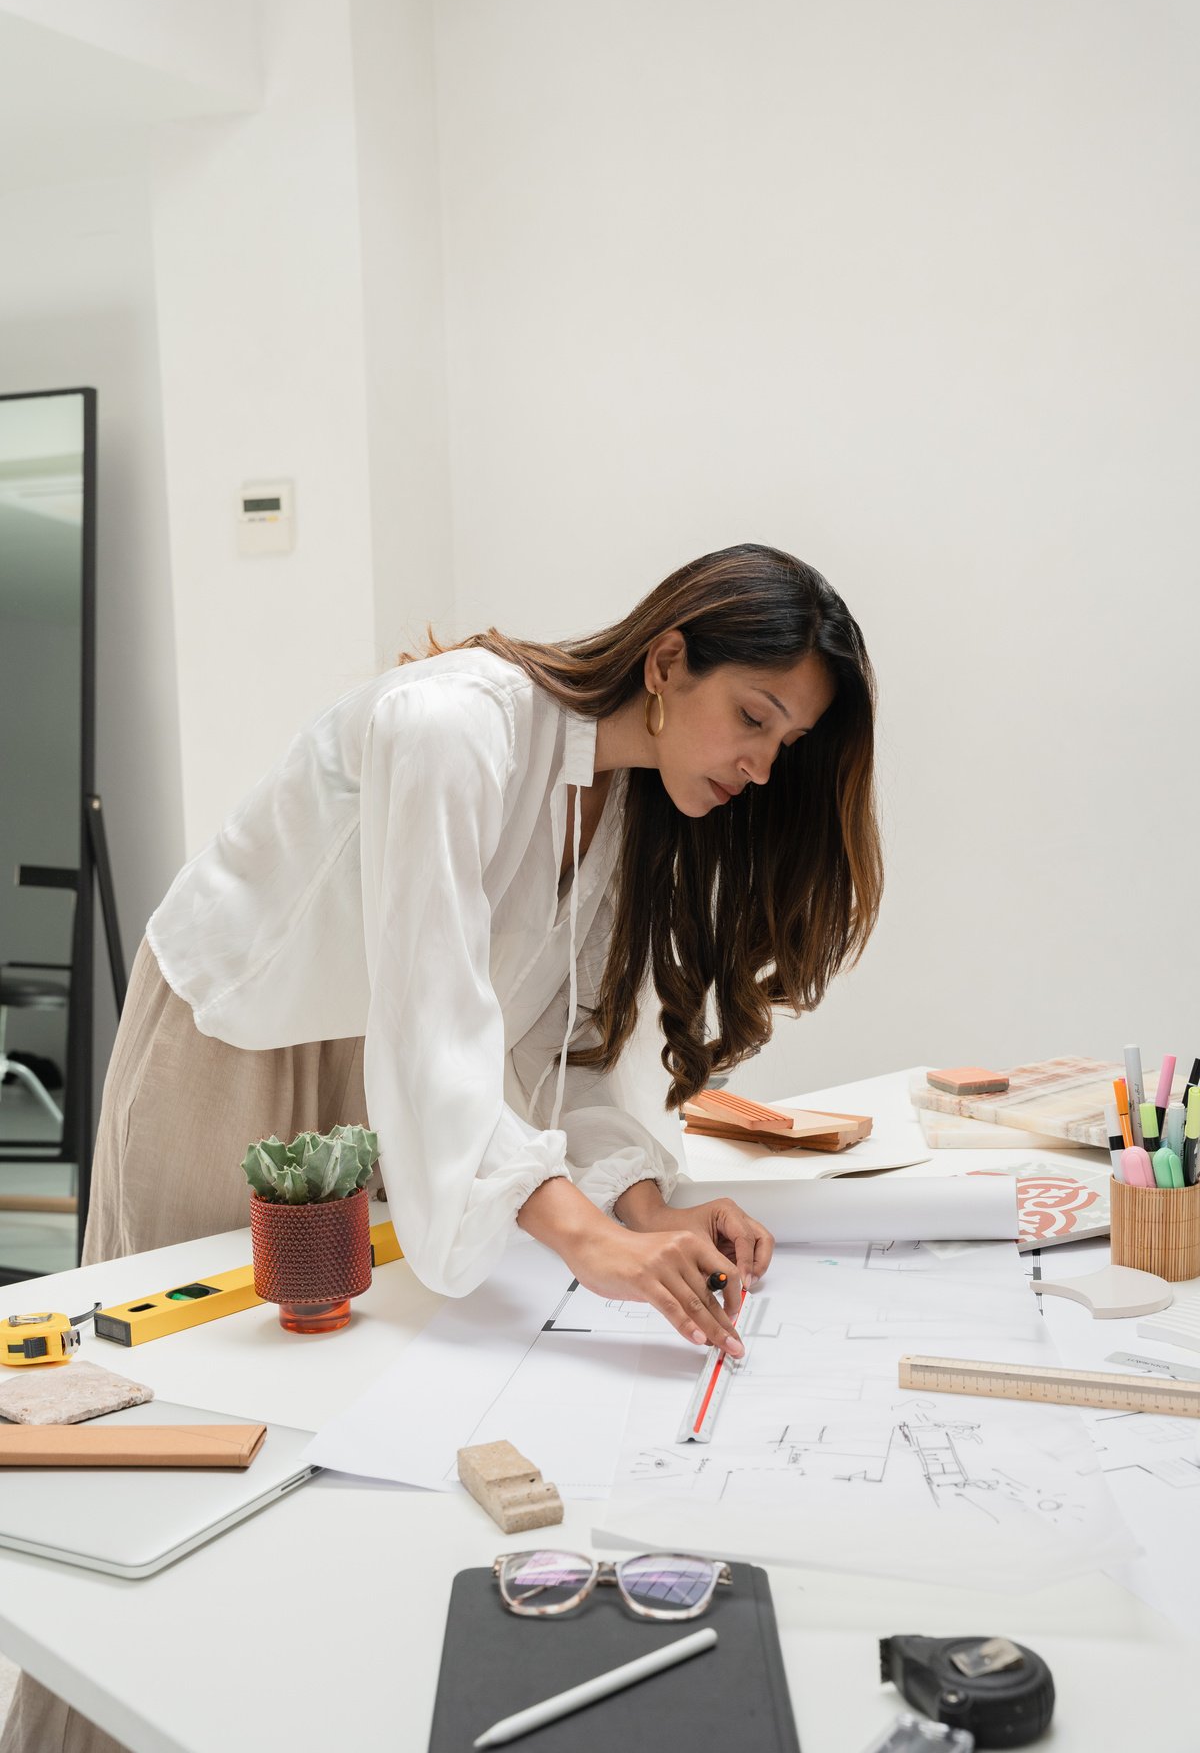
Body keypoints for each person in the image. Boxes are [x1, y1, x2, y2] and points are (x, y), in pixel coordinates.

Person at [1, 541, 882, 1753]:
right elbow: (435, 1023)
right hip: (241, 1050)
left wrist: (642, 1210)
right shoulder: (453, 725)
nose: (760, 764)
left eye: (785, 744)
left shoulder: (621, 811)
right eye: (754, 717)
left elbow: (552, 1056)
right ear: (668, 659)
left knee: (318, 1456)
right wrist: (578, 1235)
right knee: (169, 1449)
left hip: (385, 1087)